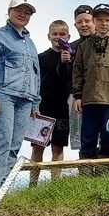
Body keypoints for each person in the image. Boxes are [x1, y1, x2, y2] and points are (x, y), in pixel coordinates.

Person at [0, 0, 41, 192]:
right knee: (2, 140)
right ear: (9, 11)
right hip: (3, 95)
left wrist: (35, 103)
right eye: (19, 10)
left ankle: (5, 188)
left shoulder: (30, 43)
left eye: (27, 12)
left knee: (15, 144)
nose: (23, 15)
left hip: (25, 99)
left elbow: (36, 74)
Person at [72, 3, 109, 163]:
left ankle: (103, 172)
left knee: (107, 136)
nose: (103, 23)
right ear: (94, 21)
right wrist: (78, 95)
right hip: (89, 99)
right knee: (88, 136)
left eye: (107, 20)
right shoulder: (84, 47)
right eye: (100, 19)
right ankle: (85, 173)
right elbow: (77, 72)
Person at [30, 20, 73, 184]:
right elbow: (34, 82)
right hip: (42, 108)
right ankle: (32, 184)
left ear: (68, 37)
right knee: (37, 147)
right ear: (49, 36)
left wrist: (65, 63)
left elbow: (69, 80)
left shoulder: (73, 57)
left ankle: (55, 184)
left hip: (62, 108)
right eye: (55, 34)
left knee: (58, 147)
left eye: (62, 34)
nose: (58, 37)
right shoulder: (41, 57)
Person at [68, 5, 94, 151]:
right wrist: (64, 63)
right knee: (80, 137)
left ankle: (103, 171)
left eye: (87, 21)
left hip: (100, 95)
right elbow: (66, 76)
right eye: (79, 22)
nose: (83, 25)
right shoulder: (70, 47)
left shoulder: (107, 43)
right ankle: (84, 170)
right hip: (77, 97)